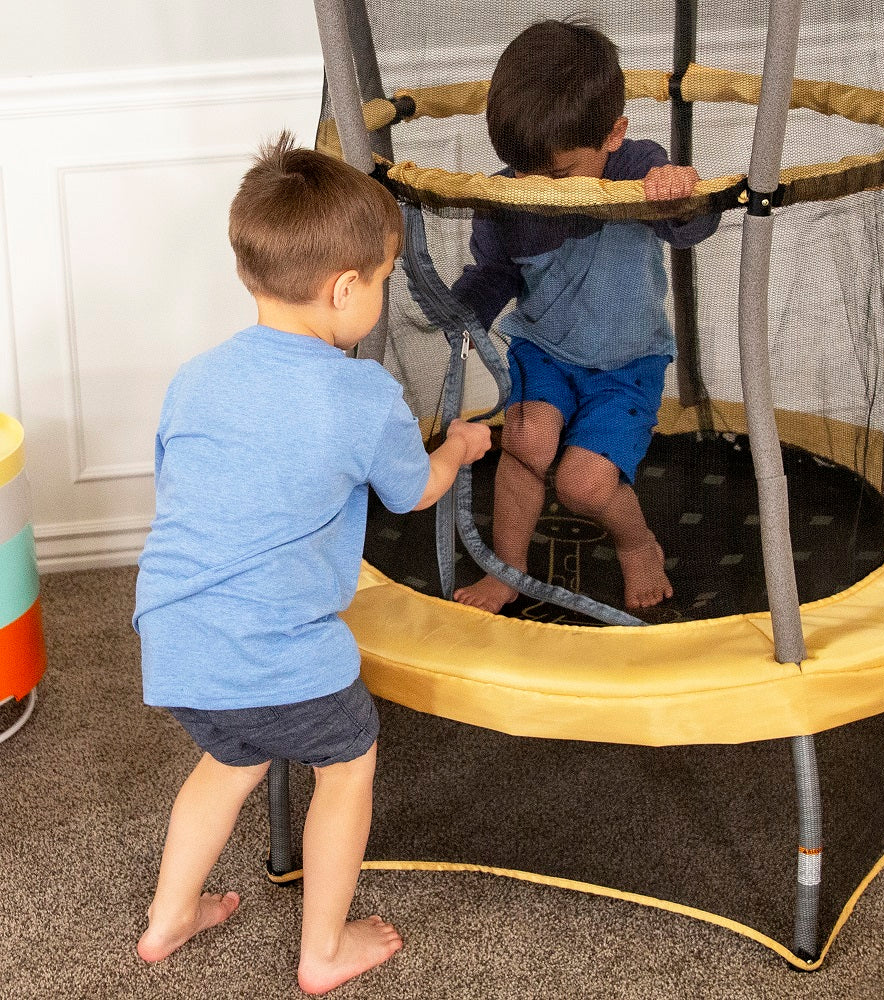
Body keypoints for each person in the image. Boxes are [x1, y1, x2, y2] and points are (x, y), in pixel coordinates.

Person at [132, 131, 490, 994]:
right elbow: (413, 493)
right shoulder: (361, 394)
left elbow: (185, 488)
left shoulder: (195, 377)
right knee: (347, 765)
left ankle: (168, 917)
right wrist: (459, 447)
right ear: (344, 290)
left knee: (232, 761)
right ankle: (324, 949)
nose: (383, 296)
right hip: (280, 652)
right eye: (384, 280)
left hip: (175, 638)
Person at [451, 18, 720, 614]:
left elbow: (692, 229)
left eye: (558, 175)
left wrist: (680, 195)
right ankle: (507, 568)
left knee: (584, 484)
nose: (538, 189)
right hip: (544, 347)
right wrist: (460, 313)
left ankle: (637, 541)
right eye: (522, 171)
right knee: (525, 445)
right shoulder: (509, 194)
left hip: (627, 361)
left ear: (612, 136)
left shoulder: (640, 167)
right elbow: (495, 273)